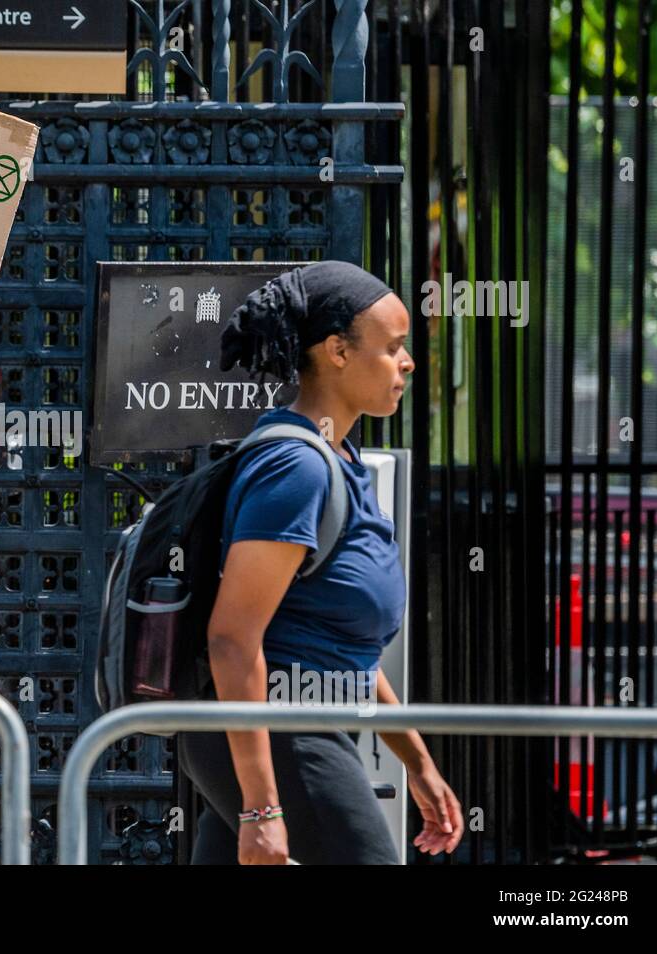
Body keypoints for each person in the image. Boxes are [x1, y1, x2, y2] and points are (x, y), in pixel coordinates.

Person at [178, 259, 464, 865]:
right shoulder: (297, 468)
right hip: (282, 734)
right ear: (337, 351)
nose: (407, 362)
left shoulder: (339, 459)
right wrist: (261, 807)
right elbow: (232, 639)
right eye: (392, 347)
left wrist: (418, 762)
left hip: (291, 730)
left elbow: (344, 650)